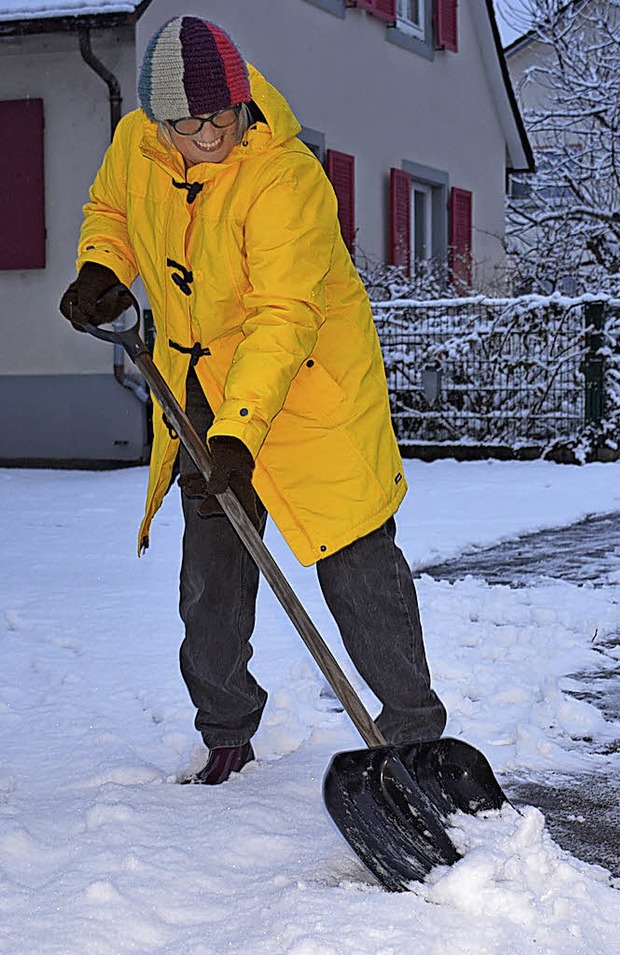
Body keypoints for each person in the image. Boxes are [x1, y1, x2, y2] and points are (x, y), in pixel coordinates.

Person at [59, 16, 446, 785]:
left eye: (224, 116)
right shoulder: (136, 146)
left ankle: (416, 740)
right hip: (202, 385)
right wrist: (104, 266)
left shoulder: (285, 177)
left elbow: (282, 317)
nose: (212, 136)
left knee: (358, 562)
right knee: (212, 569)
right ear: (160, 119)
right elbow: (110, 210)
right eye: (192, 123)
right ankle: (227, 728)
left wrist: (239, 433)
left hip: (308, 388)